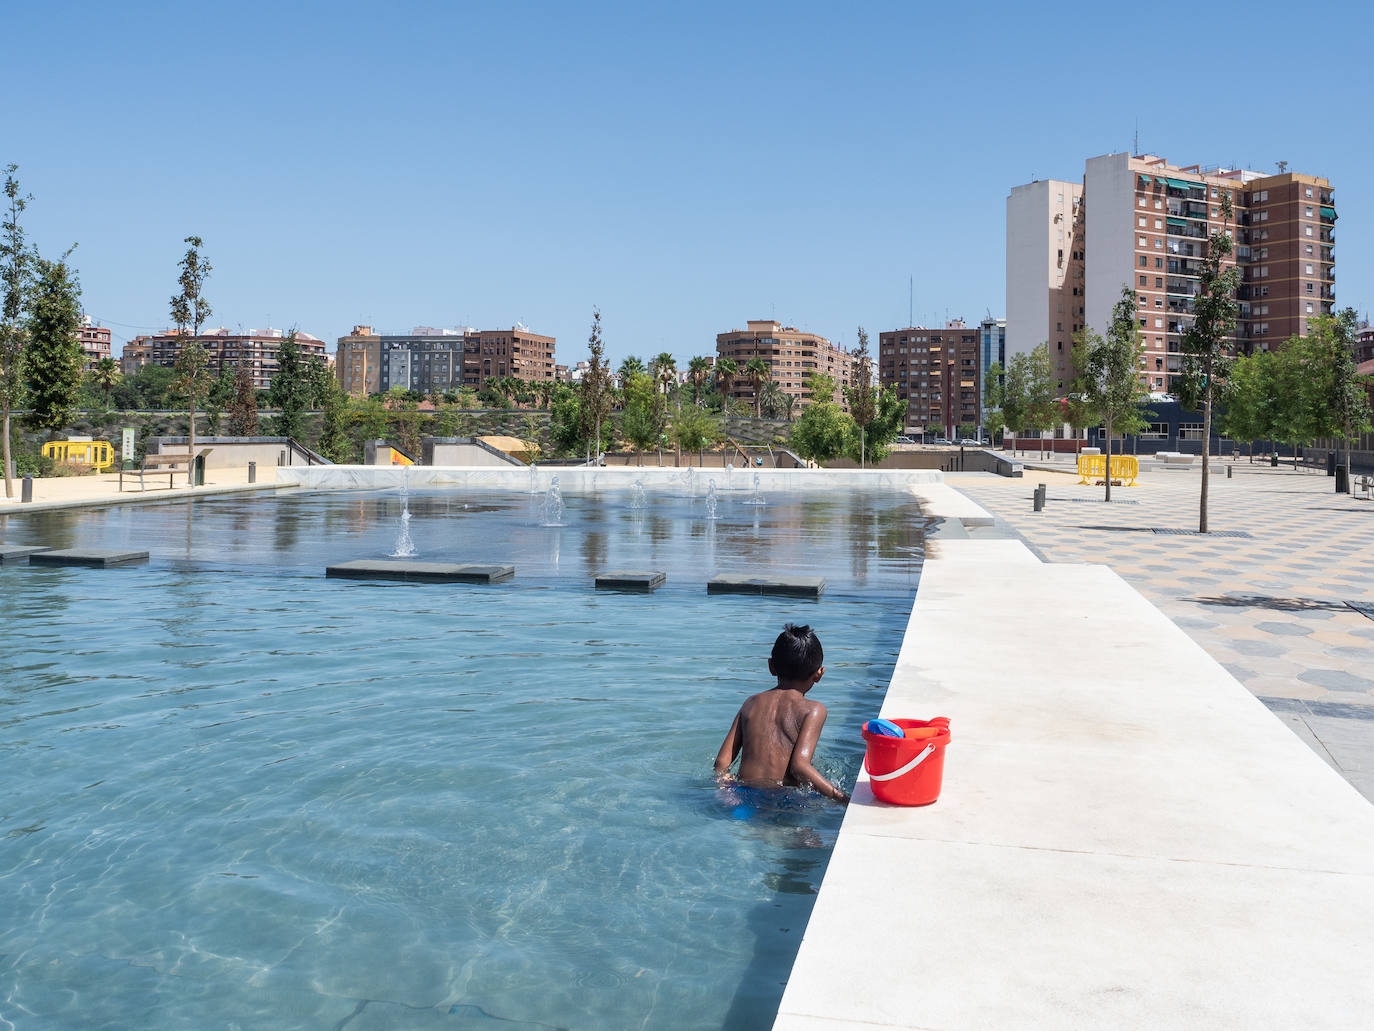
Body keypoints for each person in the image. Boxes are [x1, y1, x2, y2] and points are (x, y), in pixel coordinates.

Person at [714, 623, 849, 804]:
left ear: (771, 666)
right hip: (782, 799)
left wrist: (722, 782)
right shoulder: (814, 710)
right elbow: (800, 767)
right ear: (819, 674)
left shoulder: (751, 702)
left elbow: (721, 763)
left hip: (742, 794)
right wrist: (839, 796)